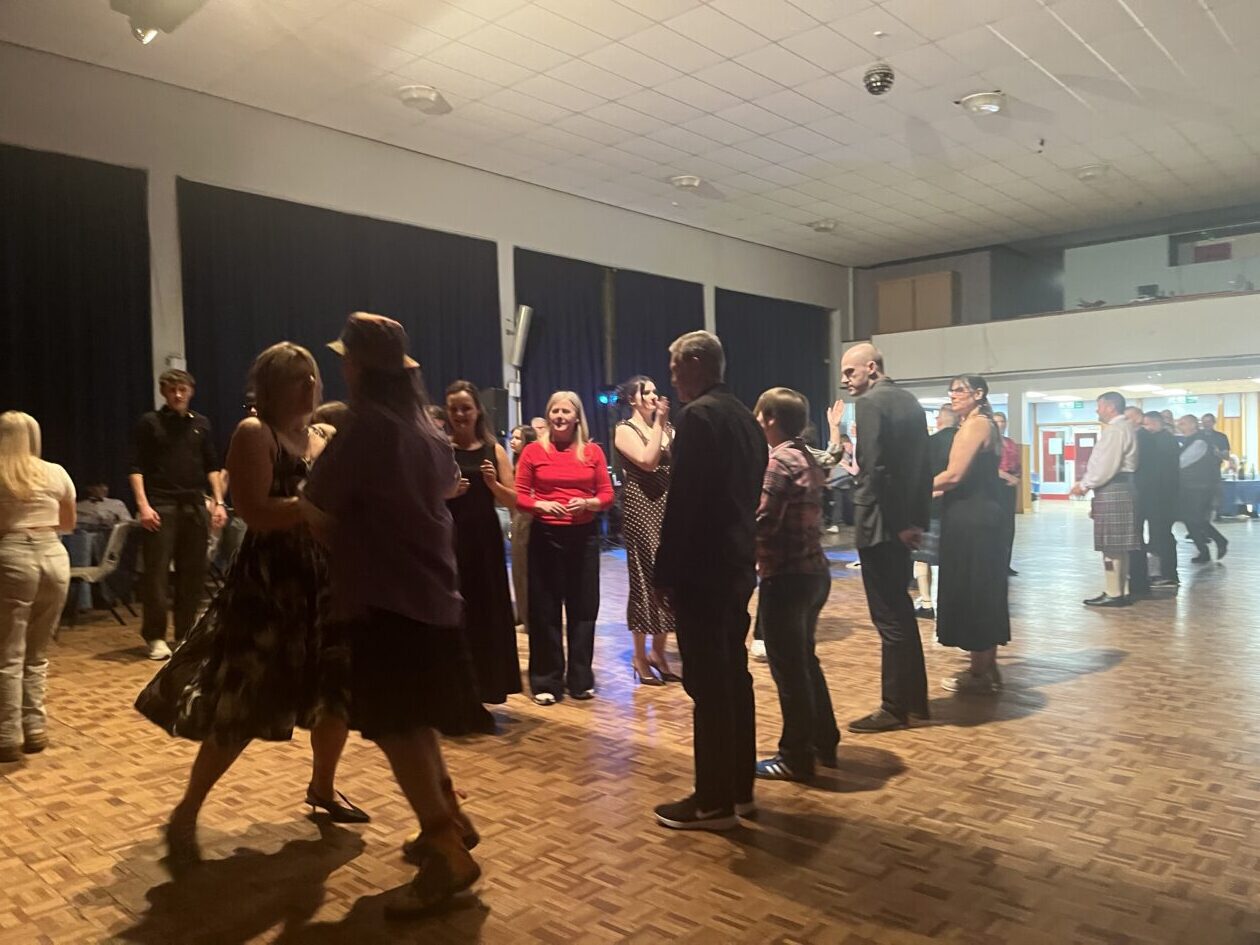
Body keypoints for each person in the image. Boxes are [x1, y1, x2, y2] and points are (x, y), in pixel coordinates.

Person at [135, 343, 367, 868]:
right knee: (242, 701)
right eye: (295, 379)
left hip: (324, 581)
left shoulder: (322, 436)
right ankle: (187, 810)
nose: (309, 387)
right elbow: (256, 511)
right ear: (270, 387)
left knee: (336, 692)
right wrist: (314, 513)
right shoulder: (254, 434)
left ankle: (323, 789)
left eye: (312, 377)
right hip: (271, 585)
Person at [303, 312, 491, 917]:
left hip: (382, 595)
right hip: (433, 594)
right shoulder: (426, 430)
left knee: (393, 724)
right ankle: (451, 819)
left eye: (346, 360)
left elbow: (316, 505)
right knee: (416, 719)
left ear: (357, 367)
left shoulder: (365, 429)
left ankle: (445, 851)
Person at [652, 331, 764, 830]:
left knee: (708, 683)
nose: (671, 376)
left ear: (697, 362)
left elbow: (686, 504)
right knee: (733, 677)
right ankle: (740, 789)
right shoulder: (745, 417)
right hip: (738, 564)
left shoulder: (697, 417)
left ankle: (712, 801)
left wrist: (665, 571)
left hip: (704, 569)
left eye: (676, 366)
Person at [838, 343, 931, 734]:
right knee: (901, 612)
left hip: (880, 525)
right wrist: (915, 521)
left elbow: (875, 470)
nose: (844, 381)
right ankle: (915, 700)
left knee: (889, 617)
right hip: (900, 522)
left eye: (849, 372)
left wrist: (897, 524)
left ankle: (894, 707)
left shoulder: (873, 404)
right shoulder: (910, 401)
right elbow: (923, 469)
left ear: (871, 368)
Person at [750, 388, 837, 783]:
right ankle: (824, 739)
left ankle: (795, 756)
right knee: (805, 661)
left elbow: (764, 522)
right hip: (815, 573)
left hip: (785, 576)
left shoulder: (778, 461)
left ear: (769, 418)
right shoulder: (806, 455)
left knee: (789, 671)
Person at [514, 392, 614, 705]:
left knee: (584, 610)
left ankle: (580, 679)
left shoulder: (593, 452)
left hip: (583, 537)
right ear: (548, 415)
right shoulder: (532, 451)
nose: (559, 416)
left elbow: (607, 494)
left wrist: (589, 503)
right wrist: (541, 504)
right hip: (545, 537)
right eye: (554, 410)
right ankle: (546, 681)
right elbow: (520, 496)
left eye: (566, 411)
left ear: (576, 417)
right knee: (544, 611)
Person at [130, 369, 227, 660]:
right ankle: (155, 636)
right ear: (163, 392)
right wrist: (143, 505)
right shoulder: (150, 423)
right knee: (157, 575)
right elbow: (136, 467)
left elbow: (212, 465)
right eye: (172, 389)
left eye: (182, 389)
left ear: (191, 391)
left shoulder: (201, 424)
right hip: (161, 504)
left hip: (195, 505)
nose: (178, 394)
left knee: (193, 575)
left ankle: (185, 635)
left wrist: (219, 502)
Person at [0, 413, 74, 763]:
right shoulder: (56, 472)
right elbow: (69, 522)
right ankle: (35, 729)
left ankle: (6, 735)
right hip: (54, 557)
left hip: (12, 556)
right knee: (37, 652)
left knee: (8, 654)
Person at [445, 380, 521, 705]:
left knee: (485, 612)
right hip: (449, 541)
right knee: (455, 612)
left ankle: (488, 688)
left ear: (477, 411)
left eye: (466, 408)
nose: (460, 414)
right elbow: (422, 497)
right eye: (454, 409)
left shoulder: (495, 450)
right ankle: (456, 692)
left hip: (485, 543)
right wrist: (446, 493)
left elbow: (515, 500)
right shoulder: (441, 448)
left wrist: (492, 485)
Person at [933, 377, 1010, 694]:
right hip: (977, 517)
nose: (953, 395)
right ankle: (985, 666)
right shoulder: (981, 423)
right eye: (951, 390)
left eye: (960, 390)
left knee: (975, 590)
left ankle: (978, 673)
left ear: (978, 395)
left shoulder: (976, 425)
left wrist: (911, 492)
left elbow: (953, 475)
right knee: (982, 587)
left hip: (972, 519)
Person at [613, 375, 679, 686]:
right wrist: (659, 424)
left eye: (655, 391)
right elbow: (648, 461)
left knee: (668, 580)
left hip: (668, 508)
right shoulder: (625, 430)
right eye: (646, 392)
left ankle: (659, 653)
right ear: (632, 399)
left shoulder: (667, 429)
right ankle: (639, 657)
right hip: (641, 510)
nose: (654, 396)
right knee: (644, 578)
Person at [1071, 392, 1140, 607]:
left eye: (1099, 406)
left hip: (1113, 488)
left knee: (1111, 544)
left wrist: (1084, 485)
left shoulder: (1115, 430)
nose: (1097, 410)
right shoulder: (1125, 428)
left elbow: (1106, 465)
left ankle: (1114, 592)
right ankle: (1121, 589)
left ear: (1110, 407)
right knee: (1119, 545)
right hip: (1123, 487)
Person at [913, 406, 958, 620]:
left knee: (922, 557)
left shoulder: (929, 443)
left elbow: (920, 475)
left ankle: (927, 603)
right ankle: (952, 603)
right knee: (954, 558)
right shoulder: (965, 441)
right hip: (959, 507)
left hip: (931, 506)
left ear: (940, 419)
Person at [1136, 411, 1181, 589]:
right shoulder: (1164, 440)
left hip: (1162, 496)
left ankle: (1167, 573)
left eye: (1146, 424)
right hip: (1159, 495)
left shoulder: (1164, 441)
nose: (1144, 429)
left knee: (1161, 535)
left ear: (1155, 423)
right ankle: (1158, 572)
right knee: (1159, 535)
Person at [1177, 414, 1228, 563]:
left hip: (1200, 488)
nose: (1180, 426)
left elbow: (1182, 462)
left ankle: (1219, 541)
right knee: (1190, 519)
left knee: (1196, 519)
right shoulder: (1190, 440)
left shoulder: (1199, 441)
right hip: (1190, 487)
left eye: (1183, 423)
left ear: (1194, 425)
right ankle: (1204, 551)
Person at [508, 425, 536, 632]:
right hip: (517, 515)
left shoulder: (529, 462)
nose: (513, 441)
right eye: (512, 437)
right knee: (518, 570)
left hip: (527, 516)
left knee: (525, 570)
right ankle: (524, 616)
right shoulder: (515, 461)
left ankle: (529, 620)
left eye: (518, 438)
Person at [992, 411, 1021, 576]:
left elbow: (1017, 464)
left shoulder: (1011, 443)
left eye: (1002, 421)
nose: (999, 424)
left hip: (1010, 485)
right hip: (996, 484)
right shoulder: (990, 444)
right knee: (996, 525)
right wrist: (1006, 476)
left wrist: (1015, 478)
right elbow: (989, 467)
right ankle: (995, 564)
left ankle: (1006, 563)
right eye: (996, 421)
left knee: (1009, 527)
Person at [1200, 413, 1230, 522]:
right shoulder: (1197, 436)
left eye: (1208, 422)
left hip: (1214, 470)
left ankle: (1214, 515)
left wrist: (1218, 453)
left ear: (1213, 422)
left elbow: (1227, 457)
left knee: (1214, 494)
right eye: (1203, 422)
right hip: (1198, 472)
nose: (1205, 424)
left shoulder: (1221, 437)